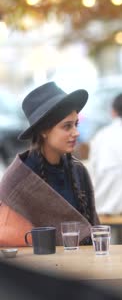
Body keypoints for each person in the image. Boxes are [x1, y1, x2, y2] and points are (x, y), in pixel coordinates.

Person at [0, 81, 99, 247]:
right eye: (67, 126)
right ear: (44, 131)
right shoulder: (18, 178)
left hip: (83, 265)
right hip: (34, 268)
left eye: (76, 124)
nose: (76, 133)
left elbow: (93, 230)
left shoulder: (78, 171)